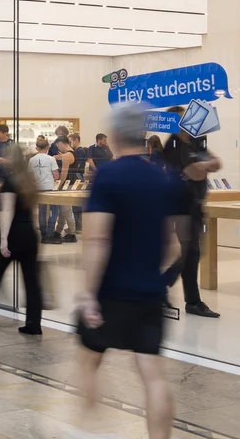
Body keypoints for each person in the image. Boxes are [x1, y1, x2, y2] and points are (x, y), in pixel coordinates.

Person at [75, 105, 189, 439]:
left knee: (88, 359)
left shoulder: (108, 176)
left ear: (112, 137)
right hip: (149, 291)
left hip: (111, 291)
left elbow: (97, 239)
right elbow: (173, 245)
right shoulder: (163, 176)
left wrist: (88, 293)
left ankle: (89, 427)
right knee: (152, 373)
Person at [160, 131, 222, 318]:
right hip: (179, 206)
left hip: (195, 204)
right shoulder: (172, 146)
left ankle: (188, 298)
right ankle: (169, 288)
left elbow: (217, 163)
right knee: (189, 251)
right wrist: (203, 167)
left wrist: (202, 165)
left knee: (194, 251)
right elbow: (192, 173)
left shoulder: (196, 143)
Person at [0, 142, 44, 335]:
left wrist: (4, 239)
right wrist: (36, 229)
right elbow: (36, 211)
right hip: (30, 233)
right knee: (31, 281)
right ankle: (34, 323)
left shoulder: (10, 182)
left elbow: (7, 211)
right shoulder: (29, 180)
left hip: (15, 235)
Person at [28, 135, 60, 243]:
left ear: (37, 147)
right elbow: (56, 175)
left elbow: (30, 176)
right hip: (50, 188)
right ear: (47, 147)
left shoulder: (32, 160)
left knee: (41, 211)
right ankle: (50, 233)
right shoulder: (51, 159)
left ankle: (43, 233)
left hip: (38, 188)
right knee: (53, 211)